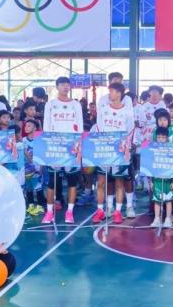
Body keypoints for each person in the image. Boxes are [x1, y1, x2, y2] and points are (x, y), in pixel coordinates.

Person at [42, 76, 84, 225]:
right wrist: (48, 145)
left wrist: (78, 147)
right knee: (52, 182)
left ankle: (70, 212)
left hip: (72, 147)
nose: (66, 87)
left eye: (67, 84)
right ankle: (49, 212)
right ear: (57, 87)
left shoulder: (75, 105)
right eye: (62, 84)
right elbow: (46, 126)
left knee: (72, 181)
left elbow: (80, 127)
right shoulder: (50, 104)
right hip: (55, 147)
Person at [92, 82, 134, 225]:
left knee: (119, 182)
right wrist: (104, 144)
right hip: (104, 150)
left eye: (112, 91)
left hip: (120, 152)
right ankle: (100, 210)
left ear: (119, 93)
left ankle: (117, 211)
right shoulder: (103, 109)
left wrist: (125, 148)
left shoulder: (127, 112)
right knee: (101, 182)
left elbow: (130, 131)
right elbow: (99, 128)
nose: (109, 94)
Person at [149, 127, 173, 228]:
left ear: (167, 138)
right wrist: (151, 181)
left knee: (168, 200)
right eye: (159, 137)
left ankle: (168, 218)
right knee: (157, 200)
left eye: (163, 137)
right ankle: (157, 218)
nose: (160, 139)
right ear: (156, 138)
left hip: (168, 180)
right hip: (157, 180)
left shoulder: (171, 150)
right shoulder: (152, 150)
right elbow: (150, 167)